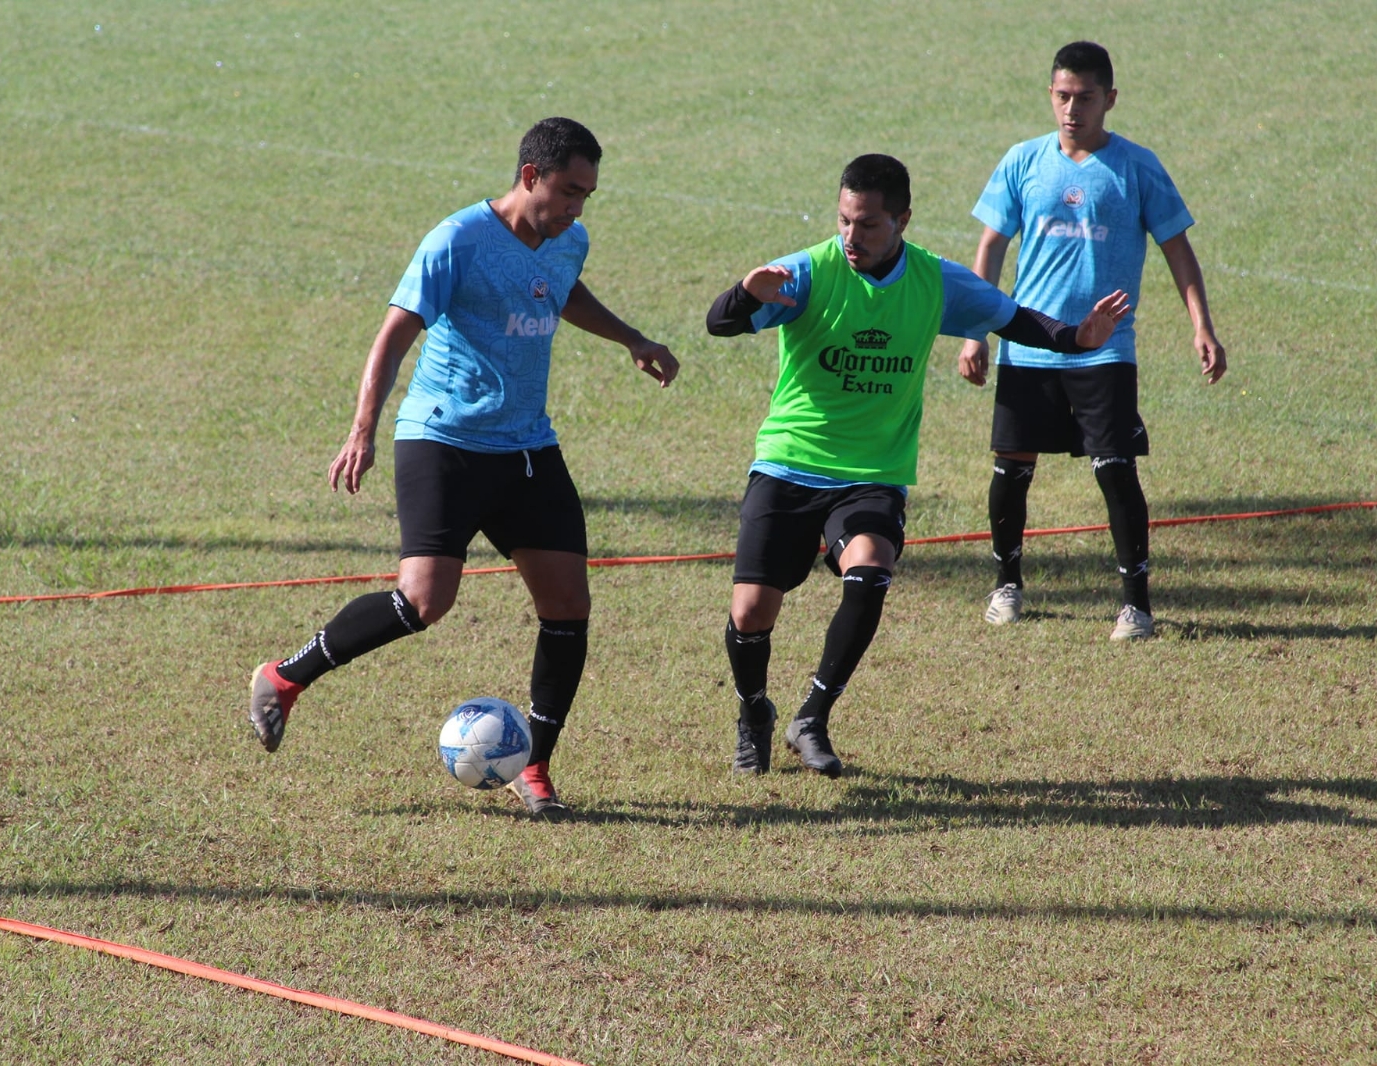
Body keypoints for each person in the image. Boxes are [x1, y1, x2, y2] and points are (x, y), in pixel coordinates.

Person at [248, 117, 679, 817]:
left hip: (527, 446)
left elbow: (562, 288)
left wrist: (631, 338)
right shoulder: (458, 241)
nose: (577, 207)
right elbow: (393, 335)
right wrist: (363, 431)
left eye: (588, 196)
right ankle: (284, 678)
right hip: (443, 442)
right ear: (530, 176)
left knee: (568, 603)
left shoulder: (569, 239)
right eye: (569, 190)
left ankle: (533, 767)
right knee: (424, 601)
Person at [706, 153, 1128, 776]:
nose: (853, 237)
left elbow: (1011, 317)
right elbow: (720, 323)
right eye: (846, 221)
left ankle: (812, 717)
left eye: (870, 224)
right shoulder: (807, 272)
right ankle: (753, 713)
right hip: (789, 465)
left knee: (870, 569)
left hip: (873, 474)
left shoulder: (935, 281)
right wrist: (745, 293)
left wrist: (1075, 339)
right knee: (750, 614)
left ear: (903, 219)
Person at [956, 40, 1227, 641]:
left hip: (1106, 349)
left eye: (1083, 97)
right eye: (1061, 96)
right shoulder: (1023, 161)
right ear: (1050, 96)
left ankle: (1136, 605)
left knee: (1116, 469)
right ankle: (1007, 584)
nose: (1071, 109)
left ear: (1110, 98)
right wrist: (978, 331)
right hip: (1028, 345)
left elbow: (1176, 249)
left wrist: (1201, 325)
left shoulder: (1136, 166)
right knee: (1010, 469)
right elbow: (991, 247)